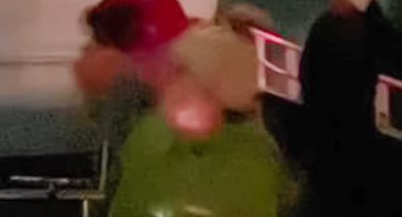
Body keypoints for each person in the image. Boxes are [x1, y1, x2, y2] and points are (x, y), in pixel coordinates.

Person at [108, 23, 295, 217]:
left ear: (217, 93)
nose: (170, 85)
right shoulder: (148, 136)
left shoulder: (251, 161)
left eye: (184, 74)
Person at [299, 0, 402, 217]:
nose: (332, 1)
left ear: (354, 0)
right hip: (330, 113)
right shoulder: (327, 24)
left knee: (347, 172)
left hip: (353, 114)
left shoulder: (373, 29)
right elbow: (308, 66)